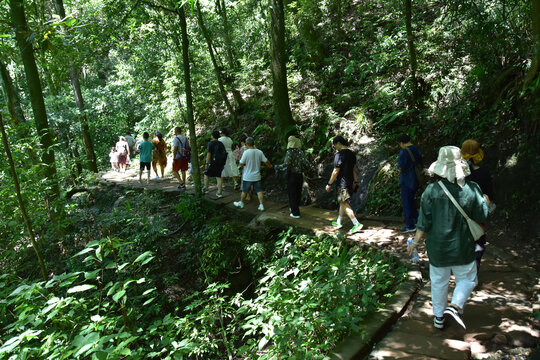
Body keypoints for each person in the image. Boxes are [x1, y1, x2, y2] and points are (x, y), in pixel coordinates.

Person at [407, 146, 488, 331]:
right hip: (463, 247)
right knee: (468, 280)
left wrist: (416, 243)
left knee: (438, 282)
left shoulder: (431, 190)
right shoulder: (472, 189)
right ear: (461, 166)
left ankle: (438, 317)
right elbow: (481, 216)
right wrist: (484, 200)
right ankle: (455, 305)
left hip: (438, 248)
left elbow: (423, 223)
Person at [461, 139, 495, 272]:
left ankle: (463, 270)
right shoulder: (484, 173)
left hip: (462, 211)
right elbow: (490, 195)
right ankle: (474, 267)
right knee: (478, 238)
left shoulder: (459, 174)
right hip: (479, 212)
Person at [325, 135, 363, 233]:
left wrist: (329, 184)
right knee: (342, 202)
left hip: (342, 183)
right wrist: (356, 181)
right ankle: (339, 221)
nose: (334, 148)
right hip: (350, 182)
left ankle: (356, 224)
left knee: (344, 203)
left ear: (339, 143)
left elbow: (335, 171)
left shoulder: (339, 155)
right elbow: (354, 169)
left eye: (334, 145)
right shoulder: (352, 154)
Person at [275, 135, 310, 218]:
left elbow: (286, 163)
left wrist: (277, 167)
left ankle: (295, 213)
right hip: (299, 175)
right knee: (298, 193)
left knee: (292, 193)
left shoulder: (289, 152)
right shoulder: (300, 152)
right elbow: (306, 163)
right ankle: (294, 208)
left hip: (292, 175)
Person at [234, 137, 272, 211]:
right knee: (259, 190)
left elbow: (241, 163)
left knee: (244, 191)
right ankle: (261, 205)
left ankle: (241, 203)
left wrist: (244, 165)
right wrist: (270, 166)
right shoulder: (259, 152)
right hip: (257, 176)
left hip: (247, 176)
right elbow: (266, 161)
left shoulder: (246, 152)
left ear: (247, 144)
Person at [396, 133, 423, 233]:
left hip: (407, 180)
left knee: (406, 202)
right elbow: (420, 162)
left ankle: (410, 225)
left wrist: (398, 167)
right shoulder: (416, 149)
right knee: (411, 200)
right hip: (416, 179)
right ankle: (418, 219)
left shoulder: (404, 151)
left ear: (402, 143)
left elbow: (400, 167)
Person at [203, 130, 227, 197]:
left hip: (212, 162)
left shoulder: (211, 143)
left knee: (206, 174)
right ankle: (219, 192)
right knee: (218, 176)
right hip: (220, 162)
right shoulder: (221, 143)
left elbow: (209, 154)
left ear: (212, 136)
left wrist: (206, 163)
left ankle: (206, 189)